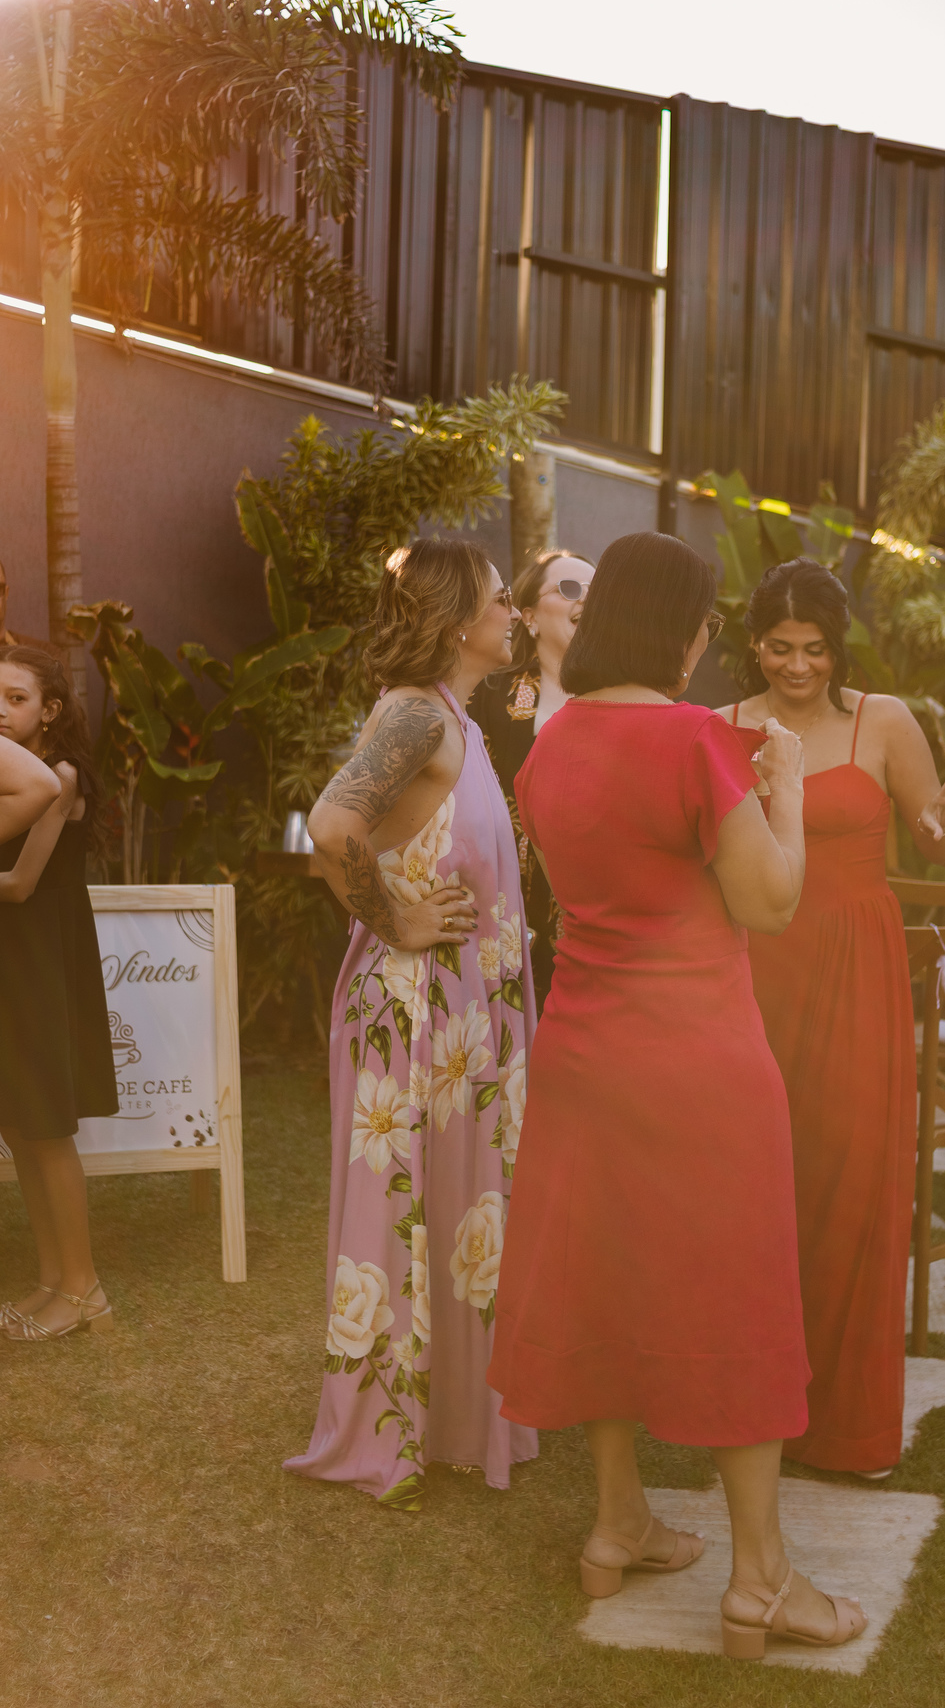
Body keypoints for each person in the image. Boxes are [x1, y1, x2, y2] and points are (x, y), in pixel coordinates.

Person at [489, 531, 867, 1660]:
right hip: (698, 1062)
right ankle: (762, 1581)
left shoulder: (550, 745)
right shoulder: (698, 740)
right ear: (686, 631)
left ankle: (619, 1522)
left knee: (604, 1282)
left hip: (582, 1056)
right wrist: (785, 789)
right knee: (738, 1297)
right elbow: (769, 902)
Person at [717, 558, 945, 1479]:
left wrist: (940, 827)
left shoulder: (885, 721)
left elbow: (940, 843)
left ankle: (848, 1426)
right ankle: (756, 1408)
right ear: (754, 643)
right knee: (761, 1187)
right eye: (780, 647)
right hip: (755, 968)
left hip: (857, 970)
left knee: (851, 1182)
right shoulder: (720, 727)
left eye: (815, 649)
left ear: (838, 647)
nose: (798, 666)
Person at [286, 539, 538, 1508]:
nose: (514, 612)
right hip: (416, 1008)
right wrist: (395, 919)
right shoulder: (416, 715)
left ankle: (459, 1421)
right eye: (501, 598)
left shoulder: (457, 719)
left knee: (463, 1211)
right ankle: (391, 1430)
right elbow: (332, 826)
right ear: (459, 618)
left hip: (465, 1015)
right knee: (410, 1212)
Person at [0, 647, 121, 1342]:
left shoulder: (62, 776)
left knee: (47, 1131)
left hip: (42, 960)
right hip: (12, 960)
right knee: (21, 1127)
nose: (1, 710)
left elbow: (21, 884)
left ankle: (85, 1290)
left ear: (49, 710)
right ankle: (52, 1283)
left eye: (16, 699)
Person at [469, 549, 595, 1011]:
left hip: (588, 891)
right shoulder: (487, 694)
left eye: (598, 592)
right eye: (570, 589)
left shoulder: (624, 697)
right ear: (529, 617)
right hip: (498, 885)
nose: (587, 600)